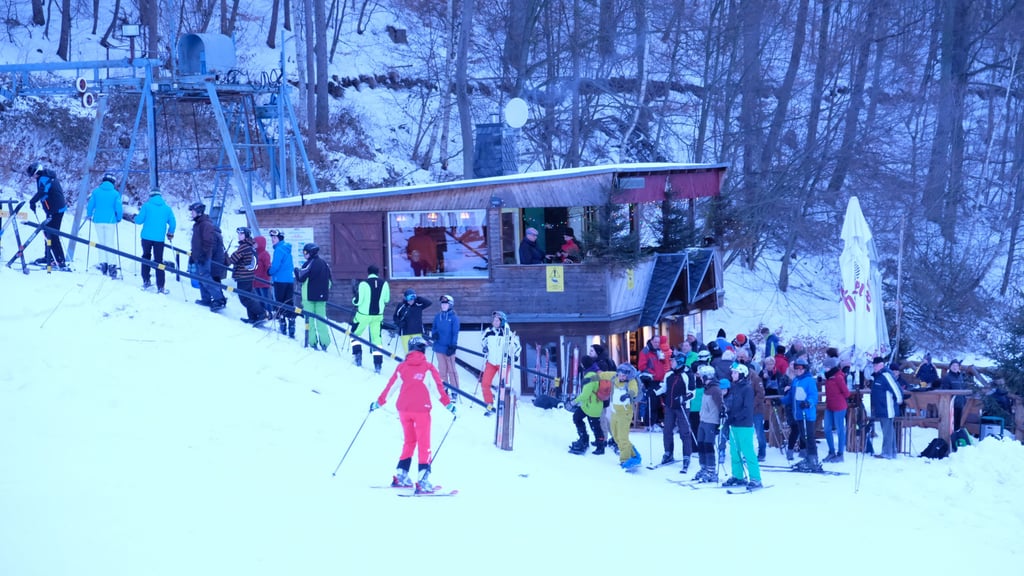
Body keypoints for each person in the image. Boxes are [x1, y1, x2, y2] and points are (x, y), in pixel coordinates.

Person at [370, 336, 455, 494]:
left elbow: (391, 387)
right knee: (424, 443)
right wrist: (449, 405)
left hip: (403, 410)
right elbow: (438, 389)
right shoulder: (428, 368)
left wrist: (379, 402)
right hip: (421, 411)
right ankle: (423, 480)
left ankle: (401, 475)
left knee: (409, 441)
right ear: (422, 349)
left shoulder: (402, 367)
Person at [722, 363, 763, 489]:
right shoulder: (733, 387)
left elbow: (747, 408)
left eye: (735, 373)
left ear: (741, 374)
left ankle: (756, 478)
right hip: (734, 424)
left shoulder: (747, 389)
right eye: (732, 372)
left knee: (747, 451)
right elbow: (731, 404)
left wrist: (736, 416)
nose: (732, 375)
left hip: (744, 425)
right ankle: (738, 476)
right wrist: (726, 413)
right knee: (735, 452)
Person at [133, 187, 176, 293]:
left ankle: (146, 281)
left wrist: (135, 217)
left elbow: (139, 221)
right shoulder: (167, 208)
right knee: (159, 261)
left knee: (145, 257)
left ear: (151, 196)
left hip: (146, 237)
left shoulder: (146, 206)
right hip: (159, 239)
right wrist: (170, 233)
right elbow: (173, 222)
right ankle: (161, 287)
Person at [26, 162, 68, 269]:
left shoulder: (44, 178)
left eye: (33, 175)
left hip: (55, 209)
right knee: (47, 231)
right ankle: (48, 256)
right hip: (53, 209)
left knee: (52, 234)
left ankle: (59, 260)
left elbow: (42, 192)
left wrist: (32, 201)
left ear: (37, 172)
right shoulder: (45, 176)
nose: (33, 178)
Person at [479, 311, 521, 414]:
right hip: (491, 362)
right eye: (494, 320)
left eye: (497, 320)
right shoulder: (488, 331)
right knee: (485, 384)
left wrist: (514, 356)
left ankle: (504, 405)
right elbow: (483, 341)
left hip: (504, 363)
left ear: (502, 321)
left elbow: (517, 347)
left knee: (503, 386)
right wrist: (484, 348)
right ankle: (489, 405)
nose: (495, 322)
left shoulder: (508, 333)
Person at [188, 202, 226, 311]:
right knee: (201, 278)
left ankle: (219, 299)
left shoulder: (205, 224)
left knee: (206, 278)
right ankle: (206, 299)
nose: (191, 213)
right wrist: (193, 254)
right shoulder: (198, 224)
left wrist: (204, 254)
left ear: (199, 212)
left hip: (203, 256)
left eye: (193, 211)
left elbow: (208, 241)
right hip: (197, 255)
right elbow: (196, 242)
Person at [352, 265, 390, 373]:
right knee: (376, 339)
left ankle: (358, 355)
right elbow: (386, 299)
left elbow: (358, 301)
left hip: (363, 315)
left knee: (354, 334)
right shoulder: (385, 284)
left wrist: (354, 300)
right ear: (378, 273)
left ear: (368, 273)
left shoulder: (363, 284)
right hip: (378, 316)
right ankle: (378, 364)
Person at [294, 242, 332, 350]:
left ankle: (312, 342)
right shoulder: (325, 264)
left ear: (311, 253)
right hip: (322, 298)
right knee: (321, 320)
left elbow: (301, 278)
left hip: (309, 298)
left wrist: (296, 271)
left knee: (309, 320)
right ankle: (324, 343)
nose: (304, 254)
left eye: (305, 252)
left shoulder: (308, 264)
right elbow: (329, 281)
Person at [661, 351, 694, 472]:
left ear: (679, 362)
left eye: (673, 361)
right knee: (667, 430)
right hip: (670, 406)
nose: (671, 362)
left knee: (684, 432)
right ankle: (668, 452)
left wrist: (683, 398)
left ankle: (687, 455)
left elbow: (692, 392)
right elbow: (663, 388)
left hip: (682, 407)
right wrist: (653, 392)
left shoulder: (687, 375)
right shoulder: (669, 374)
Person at [86, 173, 123, 278]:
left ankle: (103, 264)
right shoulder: (115, 194)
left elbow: (90, 205)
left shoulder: (96, 192)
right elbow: (119, 207)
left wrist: (89, 215)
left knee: (101, 242)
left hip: (98, 220)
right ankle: (112, 266)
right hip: (111, 221)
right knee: (110, 243)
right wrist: (118, 217)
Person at [228, 227, 265, 326]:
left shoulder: (244, 246)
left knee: (245, 298)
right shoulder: (250, 245)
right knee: (248, 296)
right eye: (238, 234)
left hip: (243, 276)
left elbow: (232, 259)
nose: (239, 236)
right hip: (248, 275)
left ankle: (262, 313)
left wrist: (225, 259)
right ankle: (252, 317)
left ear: (246, 235)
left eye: (241, 234)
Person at [693, 366, 724, 483]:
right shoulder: (706, 388)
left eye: (701, 376)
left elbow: (721, 405)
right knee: (700, 444)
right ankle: (704, 468)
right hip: (703, 420)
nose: (700, 378)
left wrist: (720, 421)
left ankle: (711, 471)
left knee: (708, 445)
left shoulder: (715, 389)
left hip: (711, 421)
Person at [790, 357, 820, 472]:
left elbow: (814, 396)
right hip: (798, 414)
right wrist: (781, 401)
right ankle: (808, 458)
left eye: (801, 368)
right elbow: (791, 396)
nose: (798, 370)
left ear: (805, 369)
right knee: (803, 437)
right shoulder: (796, 380)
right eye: (796, 368)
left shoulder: (809, 380)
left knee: (809, 437)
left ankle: (813, 459)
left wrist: (808, 403)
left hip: (807, 414)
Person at [870, 356, 903, 459]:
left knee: (887, 431)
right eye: (873, 365)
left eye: (875, 365)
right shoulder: (878, 376)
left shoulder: (886, 375)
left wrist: (899, 400)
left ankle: (887, 453)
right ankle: (891, 451)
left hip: (887, 408)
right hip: (881, 408)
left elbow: (895, 388)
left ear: (881, 365)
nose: (874, 367)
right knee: (888, 430)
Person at [568, 370, 607, 455]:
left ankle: (600, 447)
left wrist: (573, 402)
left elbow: (585, 395)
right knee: (577, 417)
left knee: (595, 427)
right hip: (587, 405)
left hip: (593, 407)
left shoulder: (589, 378)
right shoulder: (594, 375)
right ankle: (584, 438)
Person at [610, 363, 641, 468]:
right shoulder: (615, 378)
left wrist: (628, 395)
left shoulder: (631, 382)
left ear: (628, 375)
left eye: (624, 375)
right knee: (615, 436)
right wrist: (592, 378)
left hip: (625, 413)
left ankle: (625, 459)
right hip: (615, 412)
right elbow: (604, 374)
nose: (621, 376)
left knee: (623, 437)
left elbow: (634, 391)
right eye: (620, 374)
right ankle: (633, 453)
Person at [267, 229, 296, 338]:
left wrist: (269, 271)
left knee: (279, 303)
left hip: (279, 280)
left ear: (280, 239)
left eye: (274, 238)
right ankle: (292, 326)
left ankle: (283, 325)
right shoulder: (287, 249)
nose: (272, 240)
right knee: (289, 303)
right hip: (289, 280)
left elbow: (275, 266)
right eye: (272, 238)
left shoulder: (278, 250)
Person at [429, 294, 460, 395]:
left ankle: (455, 391)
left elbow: (455, 333)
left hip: (449, 348)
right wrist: (434, 334)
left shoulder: (454, 318)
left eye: (446, 304)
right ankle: (444, 389)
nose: (443, 305)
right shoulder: (438, 316)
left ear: (450, 305)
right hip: (439, 347)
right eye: (442, 303)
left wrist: (453, 345)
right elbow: (434, 327)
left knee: (452, 370)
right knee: (442, 370)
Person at [638, 335, 671, 428]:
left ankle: (656, 422)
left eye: (658, 342)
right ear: (651, 341)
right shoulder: (645, 351)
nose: (657, 344)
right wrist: (653, 374)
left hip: (660, 380)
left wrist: (664, 360)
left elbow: (662, 364)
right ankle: (649, 424)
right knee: (652, 402)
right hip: (651, 380)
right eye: (655, 342)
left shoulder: (658, 351)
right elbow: (642, 366)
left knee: (658, 403)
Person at [822, 357, 850, 463]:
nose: (824, 369)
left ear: (831, 367)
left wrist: (838, 397)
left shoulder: (838, 377)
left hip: (839, 406)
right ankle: (831, 452)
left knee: (839, 429)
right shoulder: (828, 377)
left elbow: (846, 393)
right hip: (829, 406)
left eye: (826, 367)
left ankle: (840, 454)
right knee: (827, 429)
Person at [393, 288, 432, 353]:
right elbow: (395, 317)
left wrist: (418, 298)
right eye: (409, 298)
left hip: (417, 332)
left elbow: (429, 303)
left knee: (418, 352)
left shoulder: (418, 305)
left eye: (413, 298)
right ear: (405, 298)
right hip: (405, 333)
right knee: (407, 353)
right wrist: (399, 323)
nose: (411, 300)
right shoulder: (401, 306)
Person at [940, 359, 968, 428]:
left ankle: (956, 436)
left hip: (960, 404)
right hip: (951, 405)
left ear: (959, 367)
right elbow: (945, 392)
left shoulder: (960, 377)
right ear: (950, 367)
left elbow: (963, 388)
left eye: (957, 366)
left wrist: (964, 400)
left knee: (957, 424)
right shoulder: (947, 378)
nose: (955, 367)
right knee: (951, 425)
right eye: (953, 366)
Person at [253, 235, 273, 319]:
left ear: (260, 244)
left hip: (263, 281)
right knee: (259, 299)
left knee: (266, 299)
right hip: (255, 281)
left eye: (255, 243)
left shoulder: (265, 254)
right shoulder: (255, 254)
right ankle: (262, 313)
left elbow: (267, 267)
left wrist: (266, 278)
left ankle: (269, 313)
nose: (254, 244)